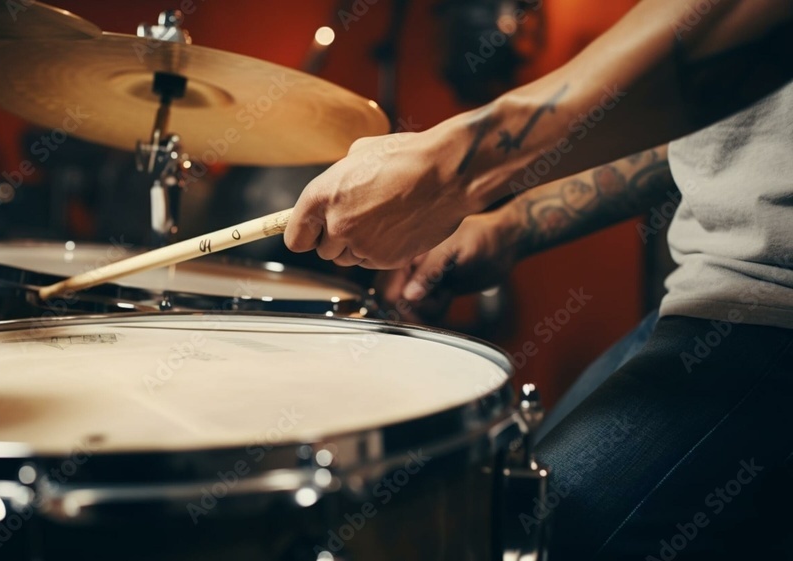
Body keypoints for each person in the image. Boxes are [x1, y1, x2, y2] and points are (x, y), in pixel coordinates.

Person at [283, 0, 793, 559]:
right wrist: (512, 226)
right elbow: (704, 121)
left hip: (772, 313)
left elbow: (737, 24)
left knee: (523, 535)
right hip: (704, 295)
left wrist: (444, 169)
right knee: (503, 501)